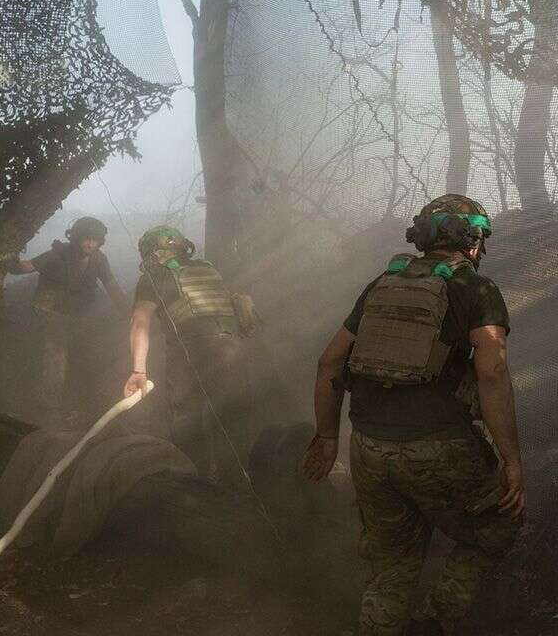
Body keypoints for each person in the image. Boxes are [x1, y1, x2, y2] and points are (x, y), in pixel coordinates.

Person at [302, 194, 525, 636]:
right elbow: (493, 373)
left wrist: (328, 439)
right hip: (438, 446)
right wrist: (511, 461)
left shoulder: (382, 284)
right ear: (474, 240)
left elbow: (329, 363)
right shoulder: (477, 289)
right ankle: (436, 621)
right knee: (500, 520)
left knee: (392, 566)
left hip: (367, 448)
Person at [123, 225, 253, 484]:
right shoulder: (207, 268)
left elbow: (140, 322)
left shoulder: (154, 275)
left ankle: (194, 484)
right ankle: (236, 485)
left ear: (152, 252)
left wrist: (138, 370)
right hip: (233, 349)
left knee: (187, 416)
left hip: (192, 348)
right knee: (230, 415)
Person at [0, 216, 127, 424]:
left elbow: (112, 287)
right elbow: (26, 267)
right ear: (76, 237)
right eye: (87, 239)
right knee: (56, 356)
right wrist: (8, 263)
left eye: (96, 240)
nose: (91, 244)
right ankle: (50, 408)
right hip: (47, 312)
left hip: (76, 316)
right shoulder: (58, 254)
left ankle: (77, 404)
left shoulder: (99, 259)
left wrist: (128, 314)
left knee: (83, 354)